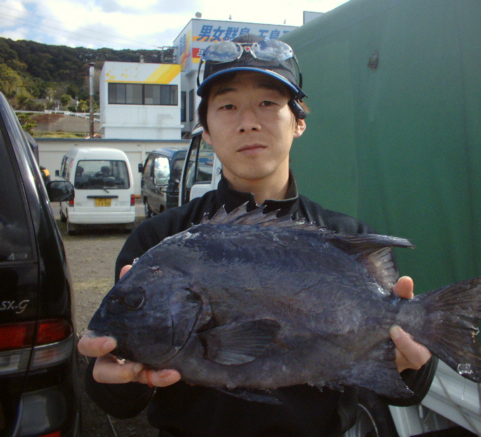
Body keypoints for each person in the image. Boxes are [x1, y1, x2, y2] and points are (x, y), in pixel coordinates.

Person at [79, 34, 435, 436]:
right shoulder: (158, 242)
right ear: (206, 130)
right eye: (227, 106)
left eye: (267, 102)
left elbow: (407, 389)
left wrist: (413, 357)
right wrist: (115, 375)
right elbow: (117, 399)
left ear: (299, 121)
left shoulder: (347, 238)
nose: (248, 121)